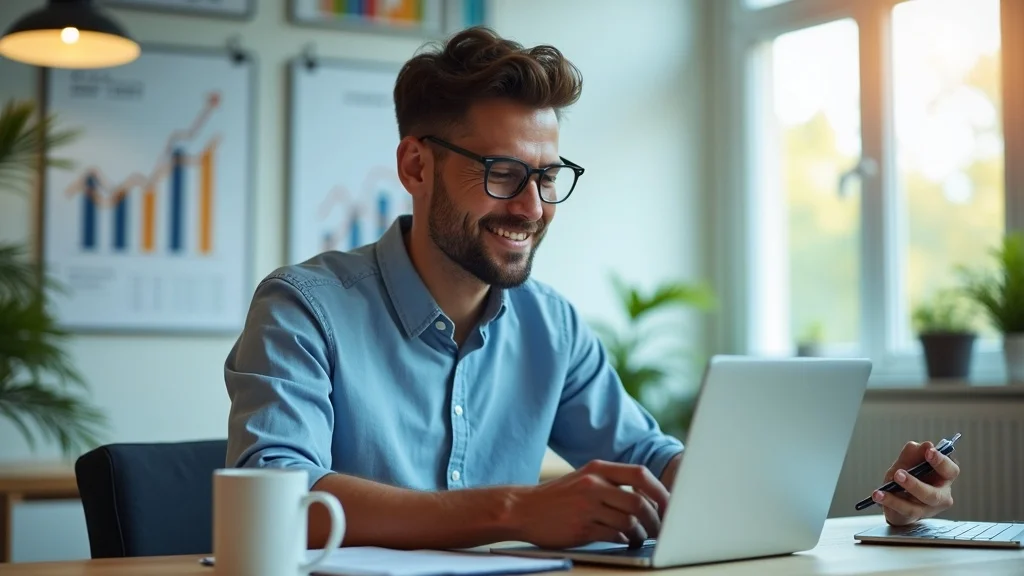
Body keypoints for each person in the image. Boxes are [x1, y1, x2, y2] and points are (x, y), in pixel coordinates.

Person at [223, 26, 959, 551]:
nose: (533, 207)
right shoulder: (303, 309)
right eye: (502, 173)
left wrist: (861, 502)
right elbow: (283, 504)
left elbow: (650, 459)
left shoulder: (551, 326)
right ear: (416, 166)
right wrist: (518, 509)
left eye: (547, 176)